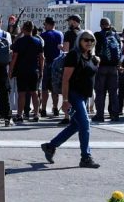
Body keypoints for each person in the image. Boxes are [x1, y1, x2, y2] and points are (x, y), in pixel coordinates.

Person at [41, 30, 100, 169]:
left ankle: (50, 146)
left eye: (92, 40)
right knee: (85, 124)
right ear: (79, 40)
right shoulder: (74, 55)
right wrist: (65, 100)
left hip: (84, 96)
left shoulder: (92, 57)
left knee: (76, 125)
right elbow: (66, 79)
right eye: (86, 39)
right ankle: (85, 157)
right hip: (74, 95)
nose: (89, 42)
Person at [10, 21, 43, 123]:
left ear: (23, 29)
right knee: (34, 93)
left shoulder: (19, 41)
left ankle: (19, 115)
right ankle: (36, 114)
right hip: (34, 70)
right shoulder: (38, 41)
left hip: (21, 70)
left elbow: (14, 57)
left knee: (22, 93)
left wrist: (11, 70)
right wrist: (41, 70)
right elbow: (42, 57)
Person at [93, 18, 122, 122]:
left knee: (100, 92)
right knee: (113, 93)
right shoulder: (116, 35)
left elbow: (93, 50)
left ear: (101, 25)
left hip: (101, 67)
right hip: (114, 68)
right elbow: (120, 50)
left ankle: (100, 115)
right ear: (110, 25)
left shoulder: (97, 35)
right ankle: (115, 115)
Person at [39, 17, 64, 118]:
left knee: (44, 88)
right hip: (57, 64)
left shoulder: (43, 35)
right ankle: (55, 108)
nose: (44, 26)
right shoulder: (60, 34)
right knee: (55, 88)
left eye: (45, 24)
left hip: (46, 63)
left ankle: (43, 109)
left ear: (48, 24)